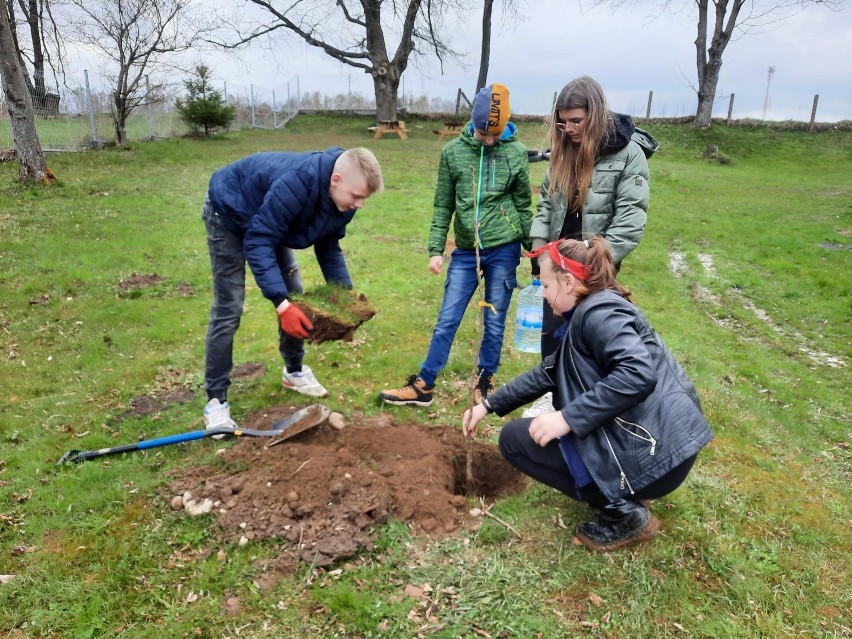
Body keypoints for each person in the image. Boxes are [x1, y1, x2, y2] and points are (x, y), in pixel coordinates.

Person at [463, 237, 713, 552]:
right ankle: (627, 494)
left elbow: (638, 373)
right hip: (661, 450)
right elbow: (549, 371)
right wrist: (488, 405)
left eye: (545, 284)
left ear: (568, 282)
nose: (542, 293)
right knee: (528, 432)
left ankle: (623, 512)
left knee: (515, 439)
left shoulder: (600, 314)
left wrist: (568, 418)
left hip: (658, 456)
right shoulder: (592, 306)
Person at [201, 147, 384, 431]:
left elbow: (328, 244)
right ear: (335, 180)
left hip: (268, 219)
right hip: (229, 212)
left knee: (294, 291)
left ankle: (294, 371)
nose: (360, 204)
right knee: (230, 306)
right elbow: (259, 239)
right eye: (357, 196)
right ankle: (215, 401)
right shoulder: (298, 183)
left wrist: (345, 298)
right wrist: (280, 303)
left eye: (364, 198)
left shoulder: (344, 201)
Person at [379, 83, 532, 407]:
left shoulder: (516, 153)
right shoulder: (453, 153)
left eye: (495, 135)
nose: (489, 140)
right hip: (464, 252)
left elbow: (522, 204)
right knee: (448, 318)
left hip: (504, 249)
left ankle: (484, 382)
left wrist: (534, 250)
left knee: (493, 320)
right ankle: (424, 385)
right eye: (483, 134)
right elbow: (442, 205)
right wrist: (435, 249)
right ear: (472, 123)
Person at [524, 76, 659, 418]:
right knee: (553, 330)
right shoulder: (561, 153)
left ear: (595, 114)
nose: (568, 129)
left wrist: (593, 261)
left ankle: (588, 405)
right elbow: (544, 208)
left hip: (595, 265)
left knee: (588, 336)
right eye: (563, 122)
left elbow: (630, 220)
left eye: (576, 121)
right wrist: (540, 255)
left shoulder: (629, 155)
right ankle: (554, 398)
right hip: (556, 262)